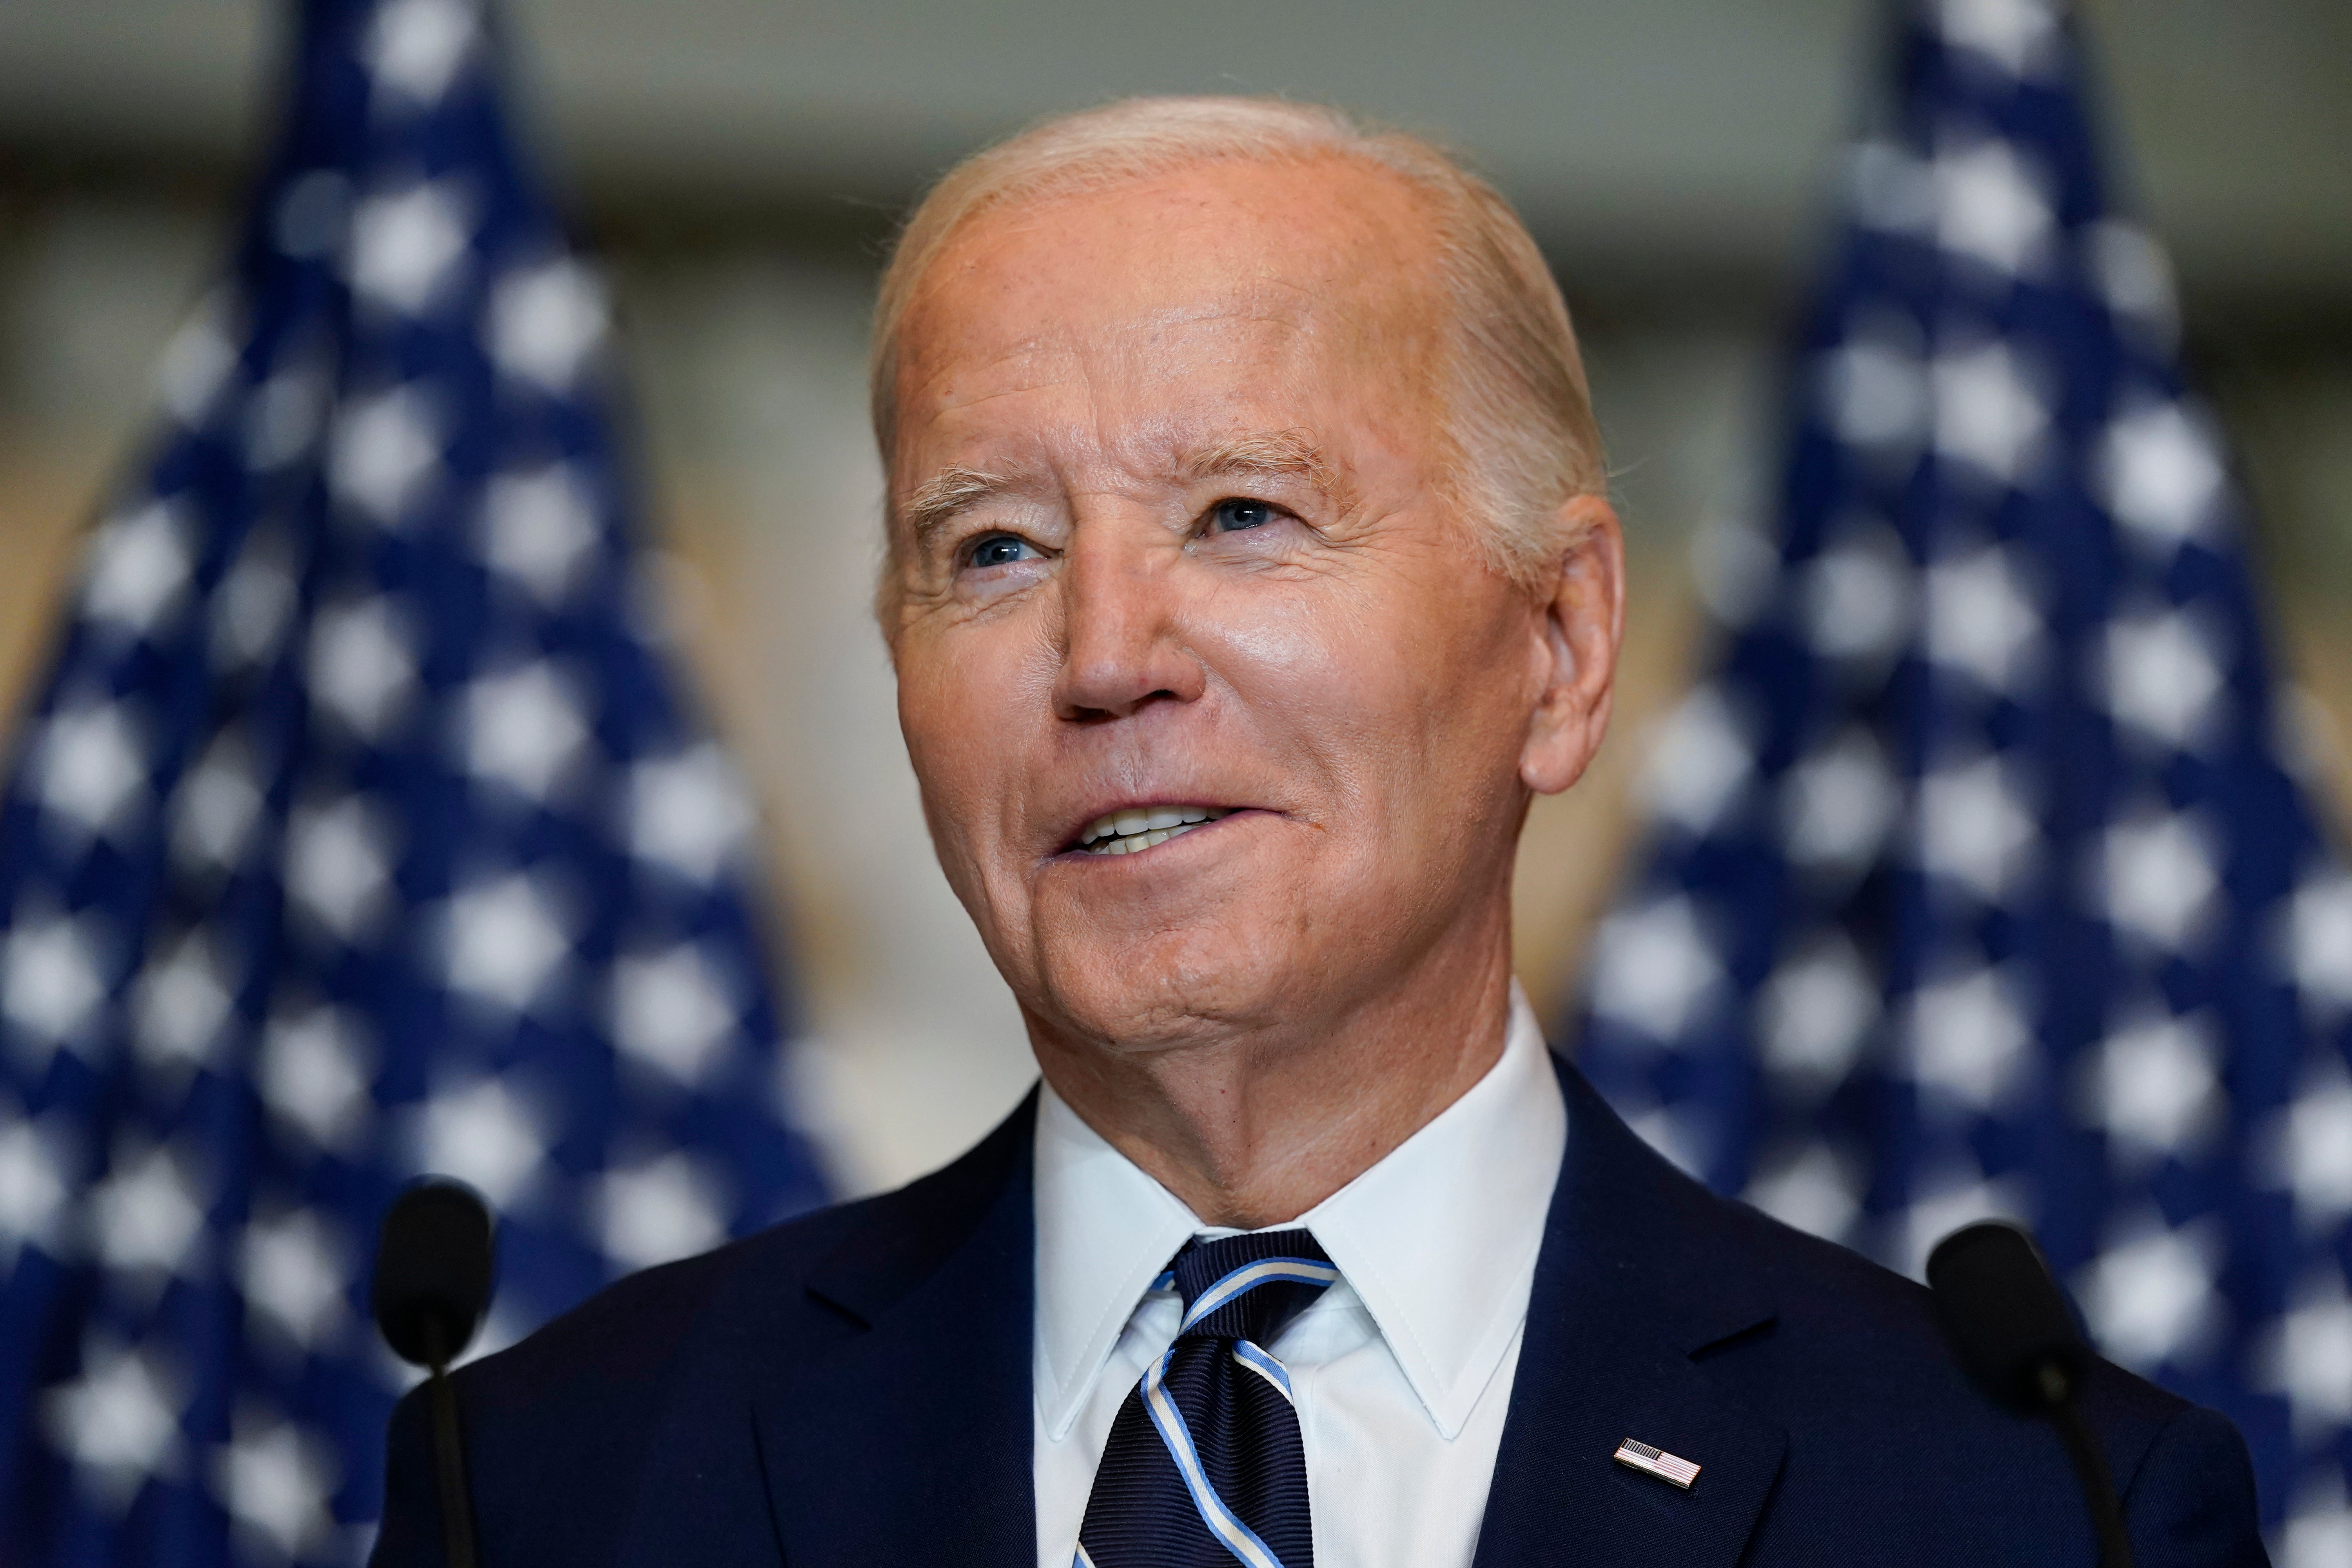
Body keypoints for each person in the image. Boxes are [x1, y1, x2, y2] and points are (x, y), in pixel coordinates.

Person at [371, 97, 2266, 1568]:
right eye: (997, 550)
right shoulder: (557, 1478)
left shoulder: (2029, 1504)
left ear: (1560, 641)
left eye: (1245, 516)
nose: (1106, 657)